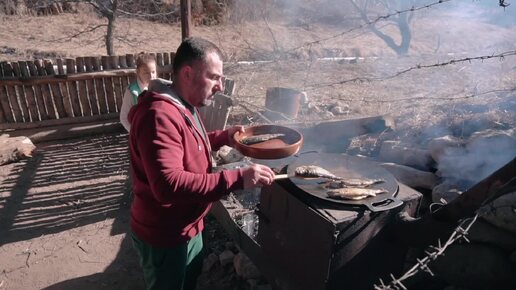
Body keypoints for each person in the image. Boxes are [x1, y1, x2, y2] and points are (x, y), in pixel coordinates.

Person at [127, 37, 276, 290]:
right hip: (166, 235)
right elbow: (168, 185)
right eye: (214, 77)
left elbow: (183, 144)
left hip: (188, 225)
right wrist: (238, 178)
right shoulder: (158, 116)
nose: (221, 86)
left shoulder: (181, 103)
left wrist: (222, 137)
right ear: (188, 73)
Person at [120, 52, 157, 132]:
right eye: (146, 73)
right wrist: (135, 133)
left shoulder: (159, 88)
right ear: (138, 72)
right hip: (140, 133)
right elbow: (123, 118)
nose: (151, 76)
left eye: (153, 72)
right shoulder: (132, 92)